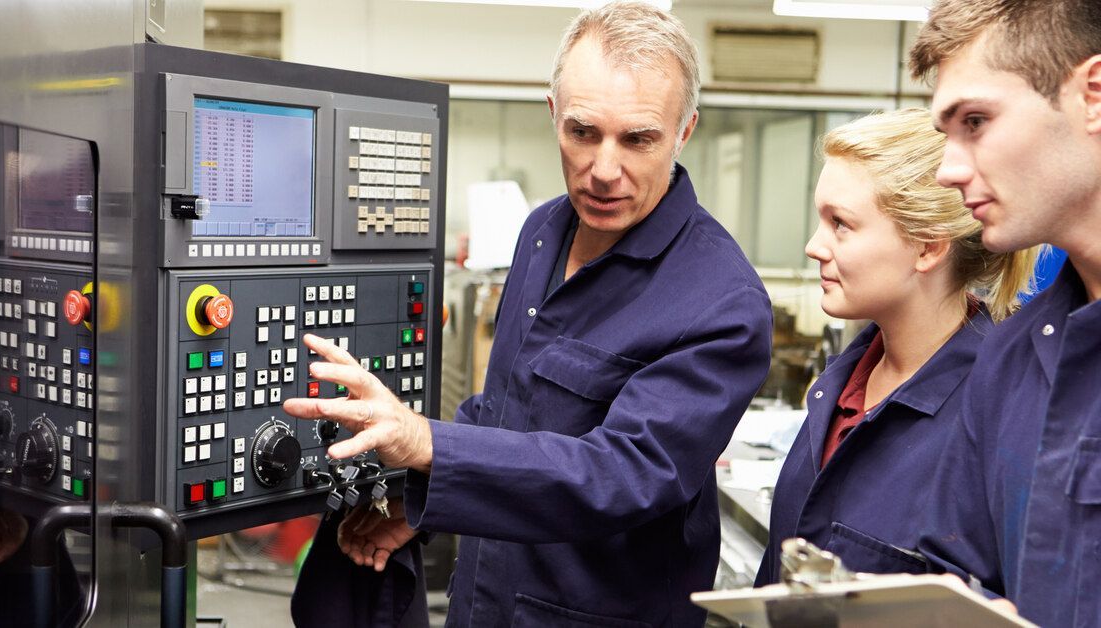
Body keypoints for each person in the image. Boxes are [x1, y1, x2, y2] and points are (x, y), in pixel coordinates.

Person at [284, 2, 773, 624]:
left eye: (639, 139)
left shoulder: (721, 301)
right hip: (485, 601)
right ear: (553, 115)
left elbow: (624, 474)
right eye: (583, 132)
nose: (603, 170)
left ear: (685, 131)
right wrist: (421, 501)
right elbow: (504, 410)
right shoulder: (542, 232)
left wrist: (425, 441)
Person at [754, 108, 1036, 585]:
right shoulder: (840, 389)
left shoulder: (1000, 409)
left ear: (927, 247)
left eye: (840, 224)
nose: (813, 246)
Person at [906, 1, 1101, 624]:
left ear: (1093, 95)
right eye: (947, 134)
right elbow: (955, 576)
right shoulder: (1011, 358)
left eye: (977, 121)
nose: (948, 170)